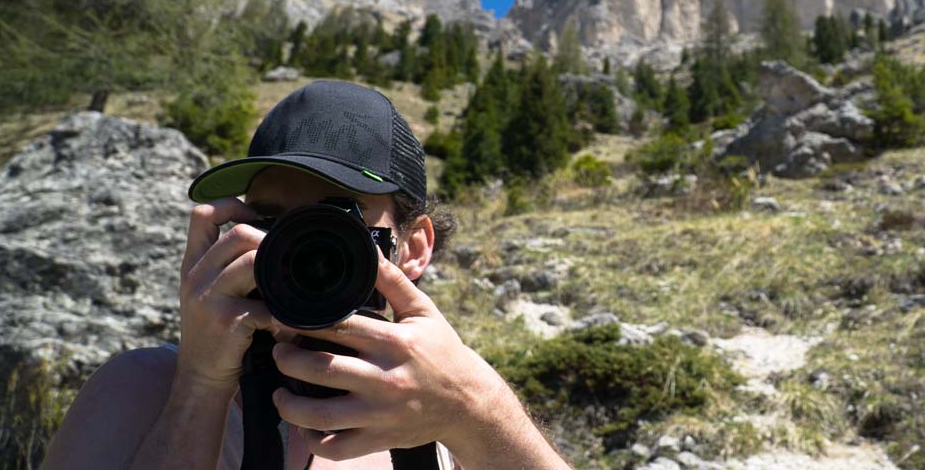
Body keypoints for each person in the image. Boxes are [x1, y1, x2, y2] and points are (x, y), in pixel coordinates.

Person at [41, 80, 572, 470]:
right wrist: (200, 386)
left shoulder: (439, 426)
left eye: (337, 223)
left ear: (414, 247)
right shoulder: (141, 391)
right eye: (271, 224)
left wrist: (476, 410)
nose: (300, 252)